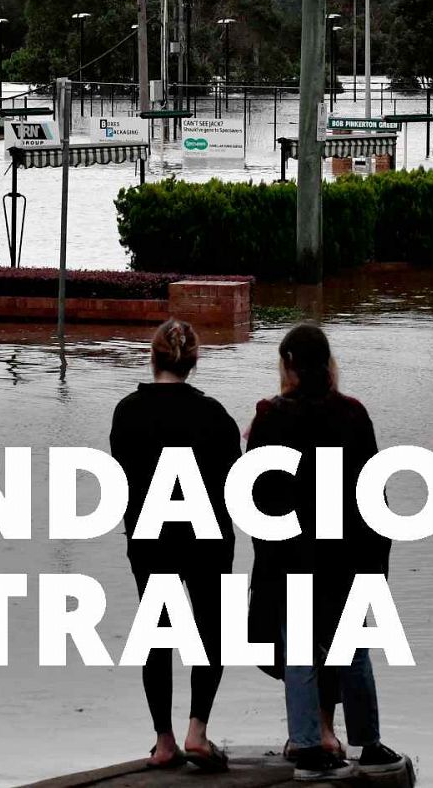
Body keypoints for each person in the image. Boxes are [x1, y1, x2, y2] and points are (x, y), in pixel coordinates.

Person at [246, 323, 407, 782]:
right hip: (348, 554)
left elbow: (256, 496)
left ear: (288, 366)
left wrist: (266, 557)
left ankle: (307, 745)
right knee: (352, 649)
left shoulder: (270, 419)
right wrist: (377, 561)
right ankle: (370, 744)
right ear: (328, 362)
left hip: (291, 554)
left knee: (299, 649)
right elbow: (372, 494)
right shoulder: (353, 414)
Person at [109, 319, 241, 772]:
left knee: (156, 636)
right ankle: (197, 731)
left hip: (150, 537)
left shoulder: (127, 412)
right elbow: (233, 487)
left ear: (153, 357)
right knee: (210, 632)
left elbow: (122, 482)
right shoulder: (215, 416)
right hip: (206, 538)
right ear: (194, 361)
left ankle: (164, 741)